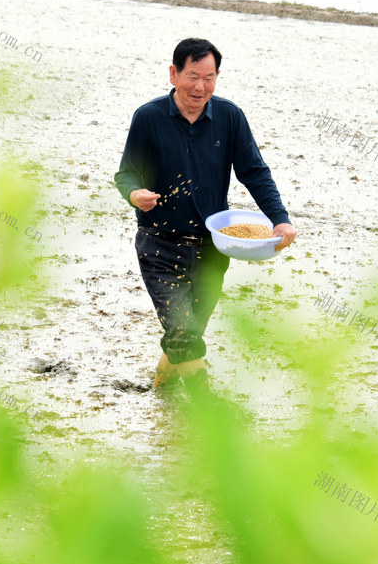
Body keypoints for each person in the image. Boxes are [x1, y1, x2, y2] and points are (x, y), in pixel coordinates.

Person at [114, 38, 296, 391]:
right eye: (192, 76)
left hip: (213, 249)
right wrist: (135, 194)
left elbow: (254, 172)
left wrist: (280, 218)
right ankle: (203, 410)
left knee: (187, 331)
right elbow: (127, 174)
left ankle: (161, 390)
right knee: (183, 332)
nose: (200, 86)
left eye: (209, 77)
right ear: (173, 74)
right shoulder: (149, 118)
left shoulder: (229, 117)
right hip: (159, 245)